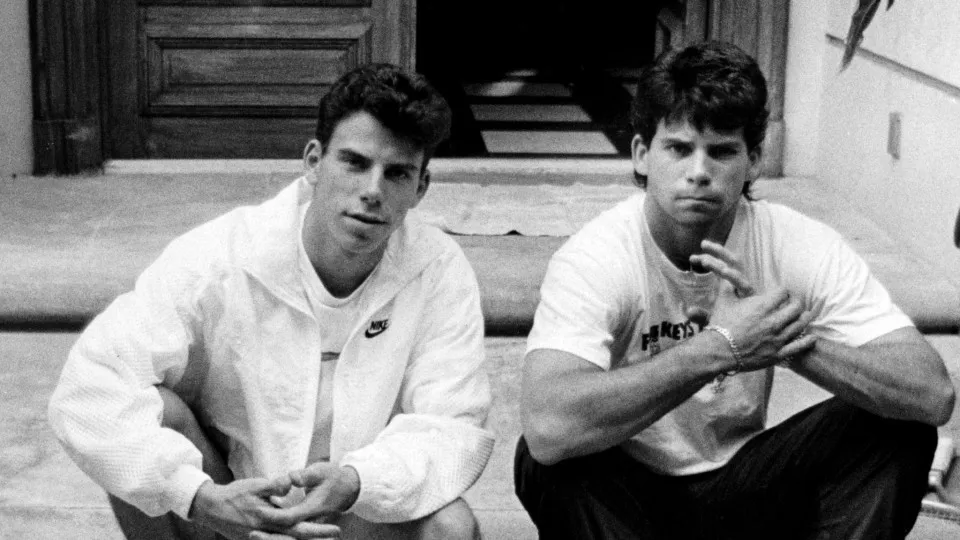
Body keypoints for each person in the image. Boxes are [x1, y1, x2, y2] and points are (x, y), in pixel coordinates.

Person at [515, 41, 956, 540]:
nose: (698, 172)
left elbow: (932, 394)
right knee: (546, 459)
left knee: (898, 426)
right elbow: (547, 425)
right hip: (627, 499)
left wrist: (788, 341)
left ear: (754, 161)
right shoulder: (596, 256)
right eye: (679, 148)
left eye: (722, 151)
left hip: (744, 487)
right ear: (641, 156)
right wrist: (721, 347)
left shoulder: (796, 243)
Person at [48, 63, 494, 540]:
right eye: (355, 162)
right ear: (314, 161)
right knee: (151, 419)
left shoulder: (438, 270)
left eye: (397, 173)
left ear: (421, 188)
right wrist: (196, 495)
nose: (372, 191)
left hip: (352, 510)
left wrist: (357, 481)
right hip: (229, 503)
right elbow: (90, 386)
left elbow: (452, 426)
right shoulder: (220, 256)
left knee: (450, 526)